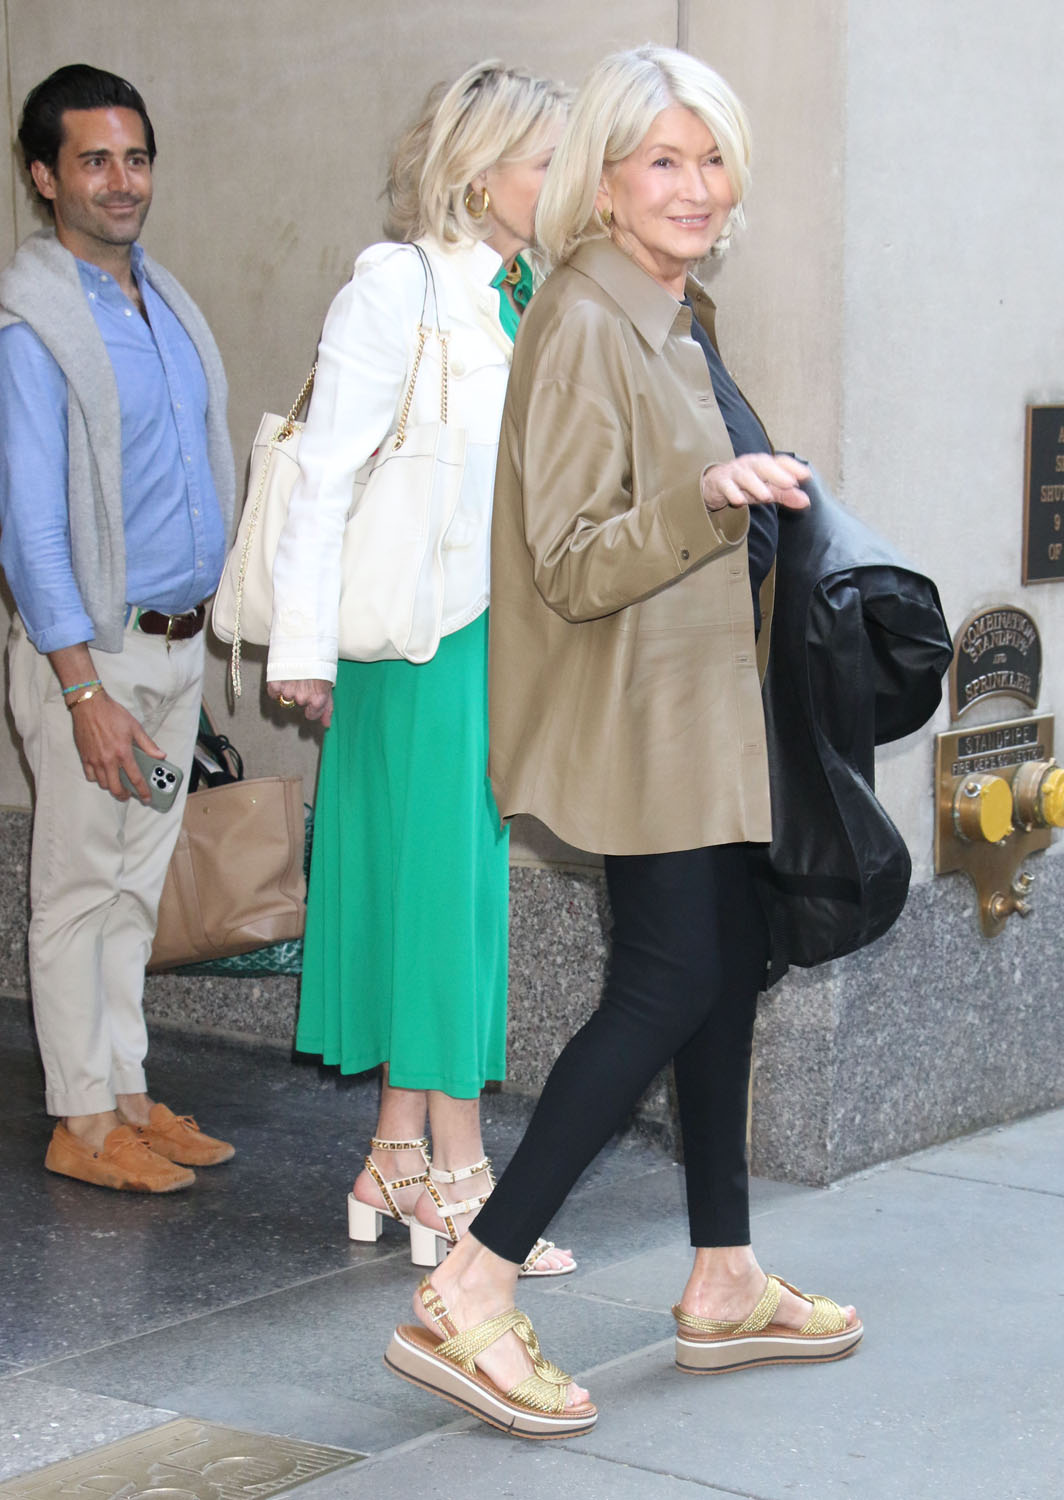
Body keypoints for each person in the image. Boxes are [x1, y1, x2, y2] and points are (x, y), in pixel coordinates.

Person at [383, 45, 863, 1440]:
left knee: (723, 970)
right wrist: (709, 495)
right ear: (601, 180)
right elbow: (572, 557)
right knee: (667, 984)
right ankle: (473, 1285)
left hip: (704, 713)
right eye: (663, 159)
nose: (696, 186)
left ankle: (723, 1276)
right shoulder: (587, 316)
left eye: (712, 160)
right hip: (643, 720)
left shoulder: (668, 307)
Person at [267, 63, 572, 1276]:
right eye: (548, 160)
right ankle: (462, 1179)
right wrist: (302, 647)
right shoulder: (399, 285)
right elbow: (324, 473)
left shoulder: (527, 291)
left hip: (495, 636)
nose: (567, 181)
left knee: (446, 897)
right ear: (482, 169)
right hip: (419, 640)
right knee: (446, 903)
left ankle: (395, 1156)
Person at [0, 65, 236, 1192]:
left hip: (175, 652)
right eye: (94, 160)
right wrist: (82, 691)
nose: (122, 180)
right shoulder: (31, 328)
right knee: (78, 889)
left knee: (137, 886)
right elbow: (29, 528)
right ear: (45, 178)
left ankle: (129, 1093)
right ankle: (81, 1118)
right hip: (92, 663)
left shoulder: (165, 305)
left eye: (135, 157)